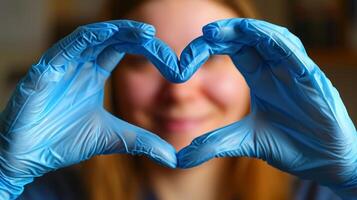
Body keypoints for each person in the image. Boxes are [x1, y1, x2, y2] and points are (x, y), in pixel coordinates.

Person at [0, 0, 355, 200]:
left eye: (215, 57)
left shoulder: (320, 193)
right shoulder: (48, 194)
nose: (179, 91)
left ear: (257, 72)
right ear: (111, 77)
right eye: (143, 60)